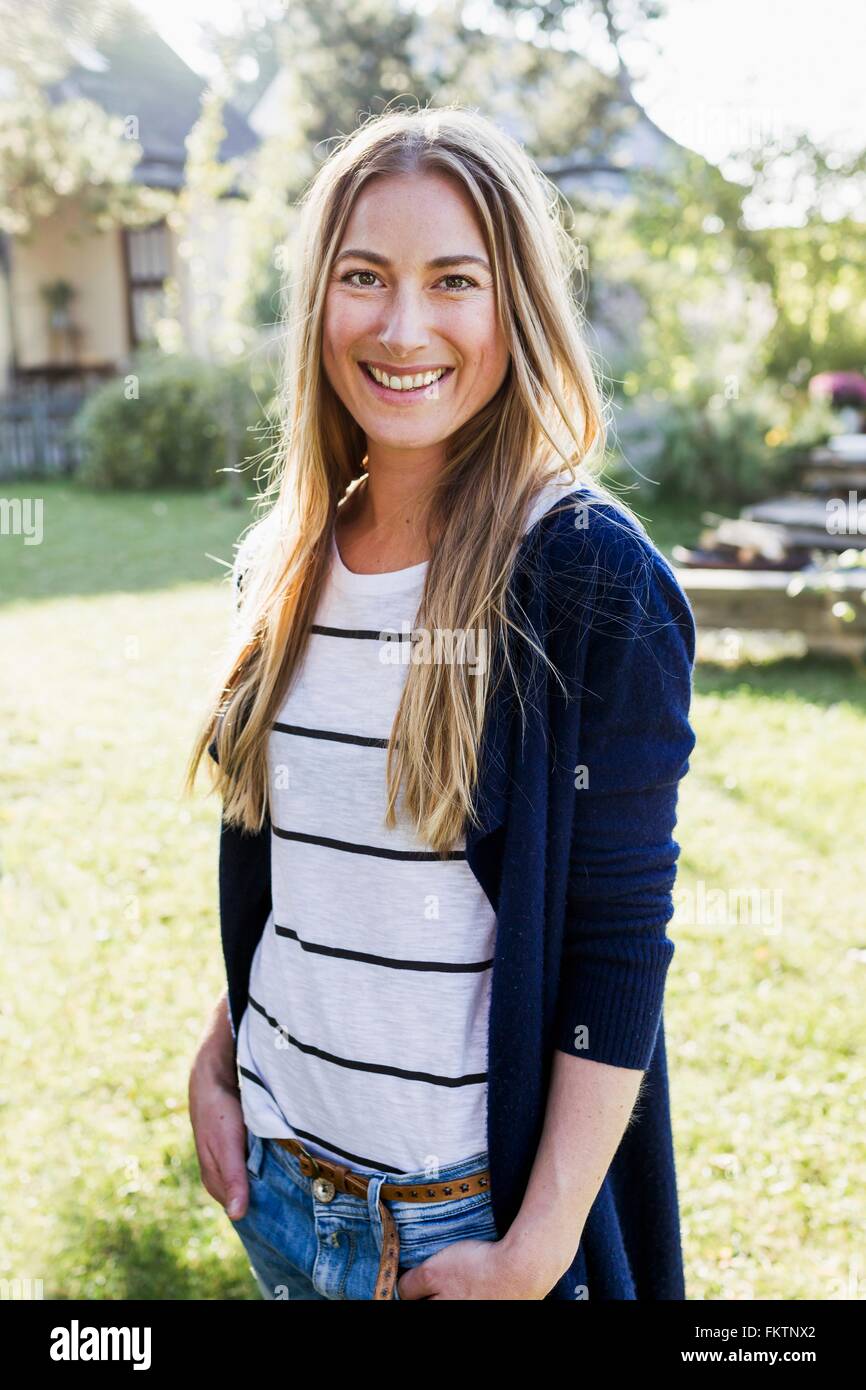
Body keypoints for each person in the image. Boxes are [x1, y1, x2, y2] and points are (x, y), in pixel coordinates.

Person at [185, 105, 697, 1301]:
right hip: (281, 1187)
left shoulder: (586, 578)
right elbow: (311, 881)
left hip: (456, 1225)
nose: (401, 325)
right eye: (363, 276)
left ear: (511, 306)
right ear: (318, 300)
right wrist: (217, 1060)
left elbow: (616, 947)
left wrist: (535, 1249)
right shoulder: (290, 556)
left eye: (450, 281)